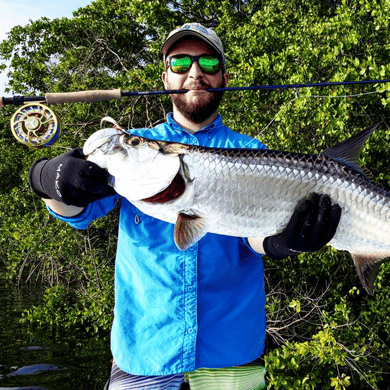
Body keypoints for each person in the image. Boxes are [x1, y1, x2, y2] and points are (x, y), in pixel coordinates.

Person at [29, 23, 341, 390]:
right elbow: (75, 214)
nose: (195, 73)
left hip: (232, 355)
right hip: (144, 354)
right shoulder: (137, 149)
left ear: (224, 76)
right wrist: (48, 180)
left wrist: (279, 243)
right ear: (165, 77)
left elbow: (252, 239)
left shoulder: (255, 153)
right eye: (180, 63)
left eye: (208, 62)